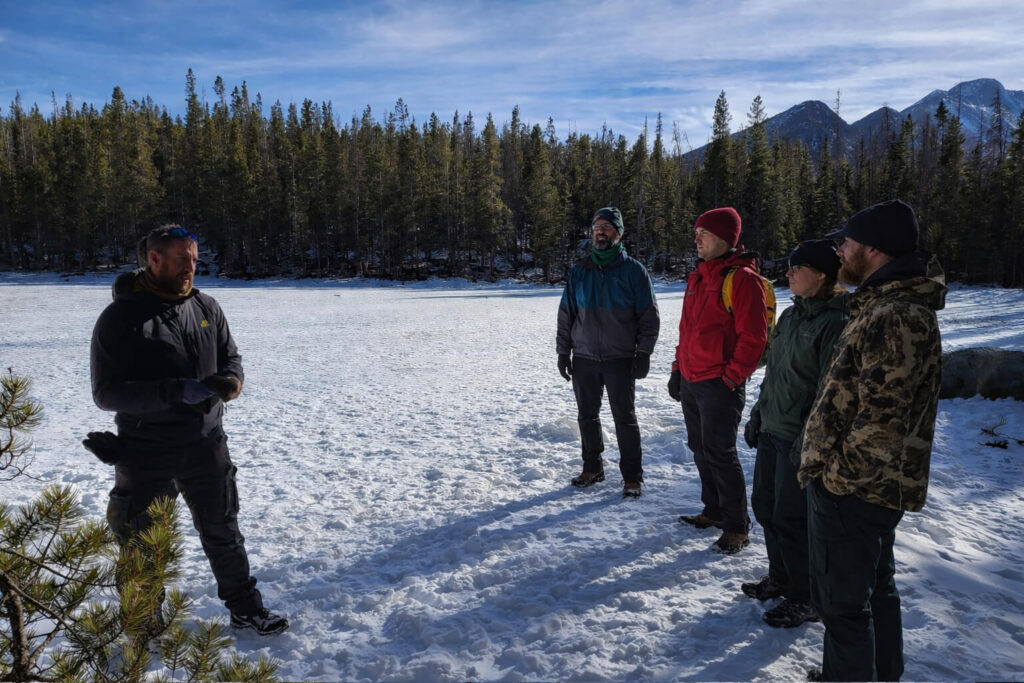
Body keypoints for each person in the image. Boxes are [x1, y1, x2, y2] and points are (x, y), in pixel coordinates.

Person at [89, 225, 289, 636]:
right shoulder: (119, 319)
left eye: (194, 260)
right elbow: (106, 393)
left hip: (206, 444)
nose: (190, 268)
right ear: (154, 259)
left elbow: (231, 357)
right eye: (181, 259)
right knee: (144, 542)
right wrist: (177, 391)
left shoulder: (206, 307)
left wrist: (231, 383)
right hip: (147, 449)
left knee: (224, 531)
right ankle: (143, 623)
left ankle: (245, 608)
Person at [799, 199, 945, 681]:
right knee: (875, 589)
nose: (839, 251)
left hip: (858, 490)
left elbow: (883, 419)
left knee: (843, 607)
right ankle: (880, 674)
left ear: (874, 250)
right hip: (872, 487)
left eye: (848, 243)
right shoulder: (884, 306)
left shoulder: (895, 316)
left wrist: (835, 481)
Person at [741, 240, 847, 628]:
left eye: (795, 268)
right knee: (766, 507)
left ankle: (806, 597)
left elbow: (828, 391)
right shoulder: (790, 317)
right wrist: (757, 413)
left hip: (799, 437)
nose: (787, 274)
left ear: (820, 275)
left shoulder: (834, 322)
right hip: (772, 427)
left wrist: (808, 440)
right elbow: (776, 374)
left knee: (792, 519)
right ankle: (781, 577)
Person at [669, 207, 768, 554]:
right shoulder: (697, 278)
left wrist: (731, 378)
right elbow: (686, 330)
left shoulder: (742, 279)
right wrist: (676, 369)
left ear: (725, 239)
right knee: (700, 450)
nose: (696, 239)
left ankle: (737, 526)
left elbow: (754, 338)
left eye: (704, 234)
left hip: (719, 384)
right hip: (692, 380)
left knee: (721, 454)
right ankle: (712, 511)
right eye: (695, 232)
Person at [556, 207, 660, 498]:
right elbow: (567, 314)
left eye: (607, 227)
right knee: (586, 416)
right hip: (585, 357)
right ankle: (592, 468)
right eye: (597, 226)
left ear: (619, 232)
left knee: (624, 419)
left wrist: (644, 353)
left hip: (620, 358)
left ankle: (632, 477)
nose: (600, 231)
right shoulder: (580, 271)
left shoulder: (633, 271)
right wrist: (563, 352)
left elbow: (649, 317)